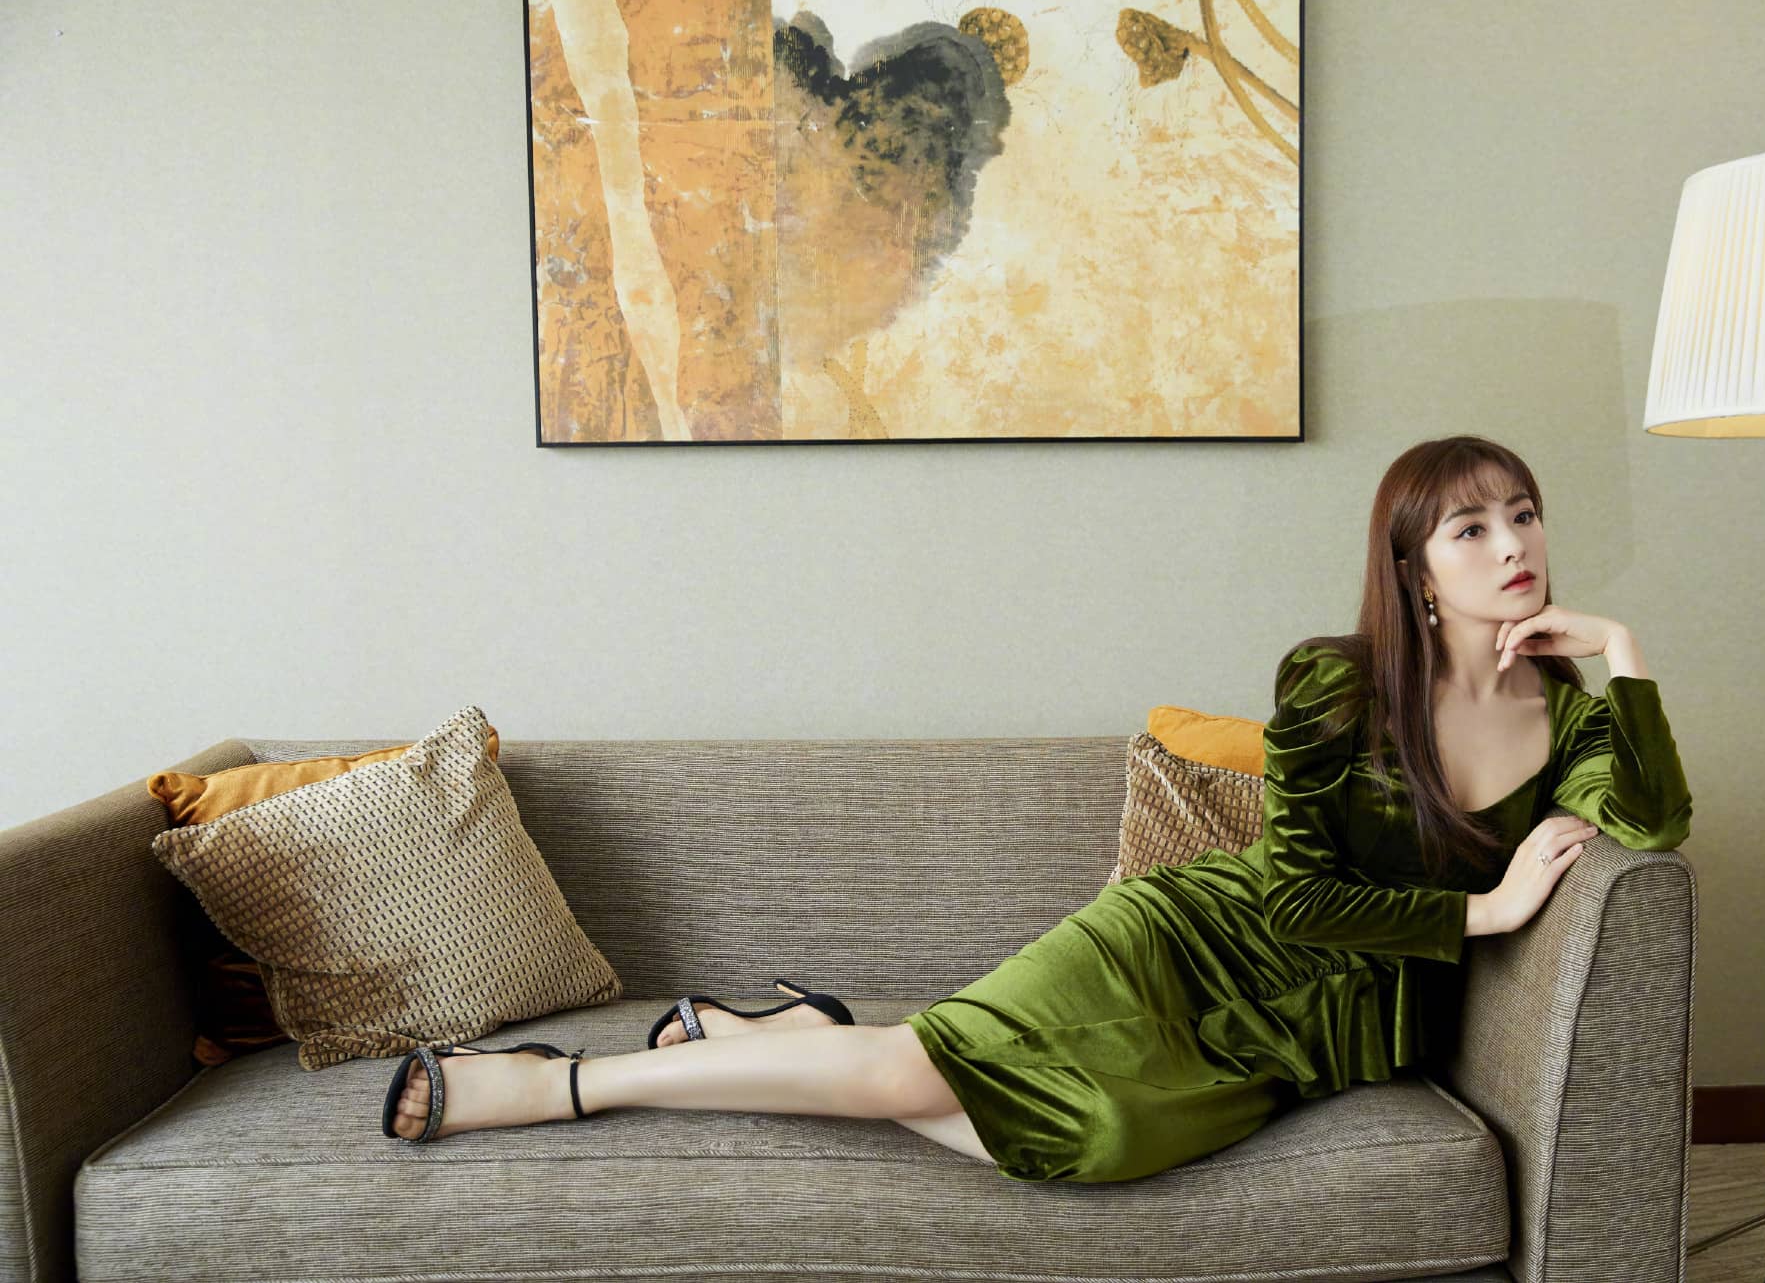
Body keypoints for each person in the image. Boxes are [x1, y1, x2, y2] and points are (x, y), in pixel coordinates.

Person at [382, 434, 1692, 1184]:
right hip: (1193, 940)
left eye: (1523, 515)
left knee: (1090, 1137)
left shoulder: (1572, 715)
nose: (1513, 545)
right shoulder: (1333, 682)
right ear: (1414, 570)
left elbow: (1654, 819)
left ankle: (787, 1034)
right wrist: (1484, 911)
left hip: (1314, 1032)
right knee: (912, 1070)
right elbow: (1297, 895)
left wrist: (1626, 652)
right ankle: (567, 1084)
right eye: (1470, 529)